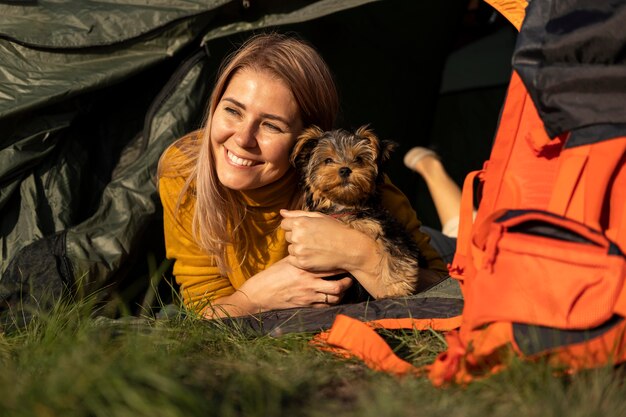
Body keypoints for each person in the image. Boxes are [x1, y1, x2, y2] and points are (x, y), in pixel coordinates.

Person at [157, 33, 448, 319]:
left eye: (271, 126)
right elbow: (203, 307)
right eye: (233, 110)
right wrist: (254, 298)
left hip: (440, 245)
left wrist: (360, 254)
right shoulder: (185, 169)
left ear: (305, 144)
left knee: (462, 237)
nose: (243, 138)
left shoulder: (353, 184)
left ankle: (431, 170)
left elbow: (445, 287)